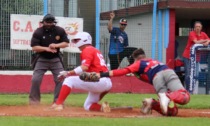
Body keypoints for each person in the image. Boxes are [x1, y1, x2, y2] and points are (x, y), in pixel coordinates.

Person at [81, 48, 190, 116]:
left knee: (169, 111)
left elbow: (122, 71)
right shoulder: (154, 60)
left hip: (157, 78)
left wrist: (101, 74)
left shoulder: (137, 64)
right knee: (183, 97)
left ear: (135, 59)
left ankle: (157, 100)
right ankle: (163, 98)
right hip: (168, 71)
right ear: (144, 56)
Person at [51, 32, 112, 112]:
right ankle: (102, 108)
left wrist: (68, 73)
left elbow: (84, 67)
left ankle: (58, 104)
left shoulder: (87, 50)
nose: (75, 42)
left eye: (77, 40)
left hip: (98, 80)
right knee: (88, 106)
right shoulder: (95, 50)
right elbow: (86, 69)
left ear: (84, 40)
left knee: (69, 80)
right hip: (106, 82)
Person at [29, 14, 69, 105]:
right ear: (43, 22)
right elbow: (34, 47)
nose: (49, 24)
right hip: (41, 58)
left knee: (61, 79)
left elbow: (66, 43)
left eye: (51, 22)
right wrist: (46, 48)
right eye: (47, 22)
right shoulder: (38, 32)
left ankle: (58, 102)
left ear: (54, 22)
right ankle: (34, 102)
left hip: (56, 59)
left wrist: (56, 45)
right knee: (35, 79)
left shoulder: (59, 30)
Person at [182, 21, 210, 92]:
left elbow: (209, 39)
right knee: (188, 74)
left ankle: (194, 91)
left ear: (201, 28)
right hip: (187, 56)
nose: (198, 28)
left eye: (199, 27)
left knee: (196, 74)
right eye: (196, 27)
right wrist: (204, 41)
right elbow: (196, 42)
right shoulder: (192, 33)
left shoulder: (203, 34)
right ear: (194, 28)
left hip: (196, 58)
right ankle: (187, 90)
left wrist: (207, 42)